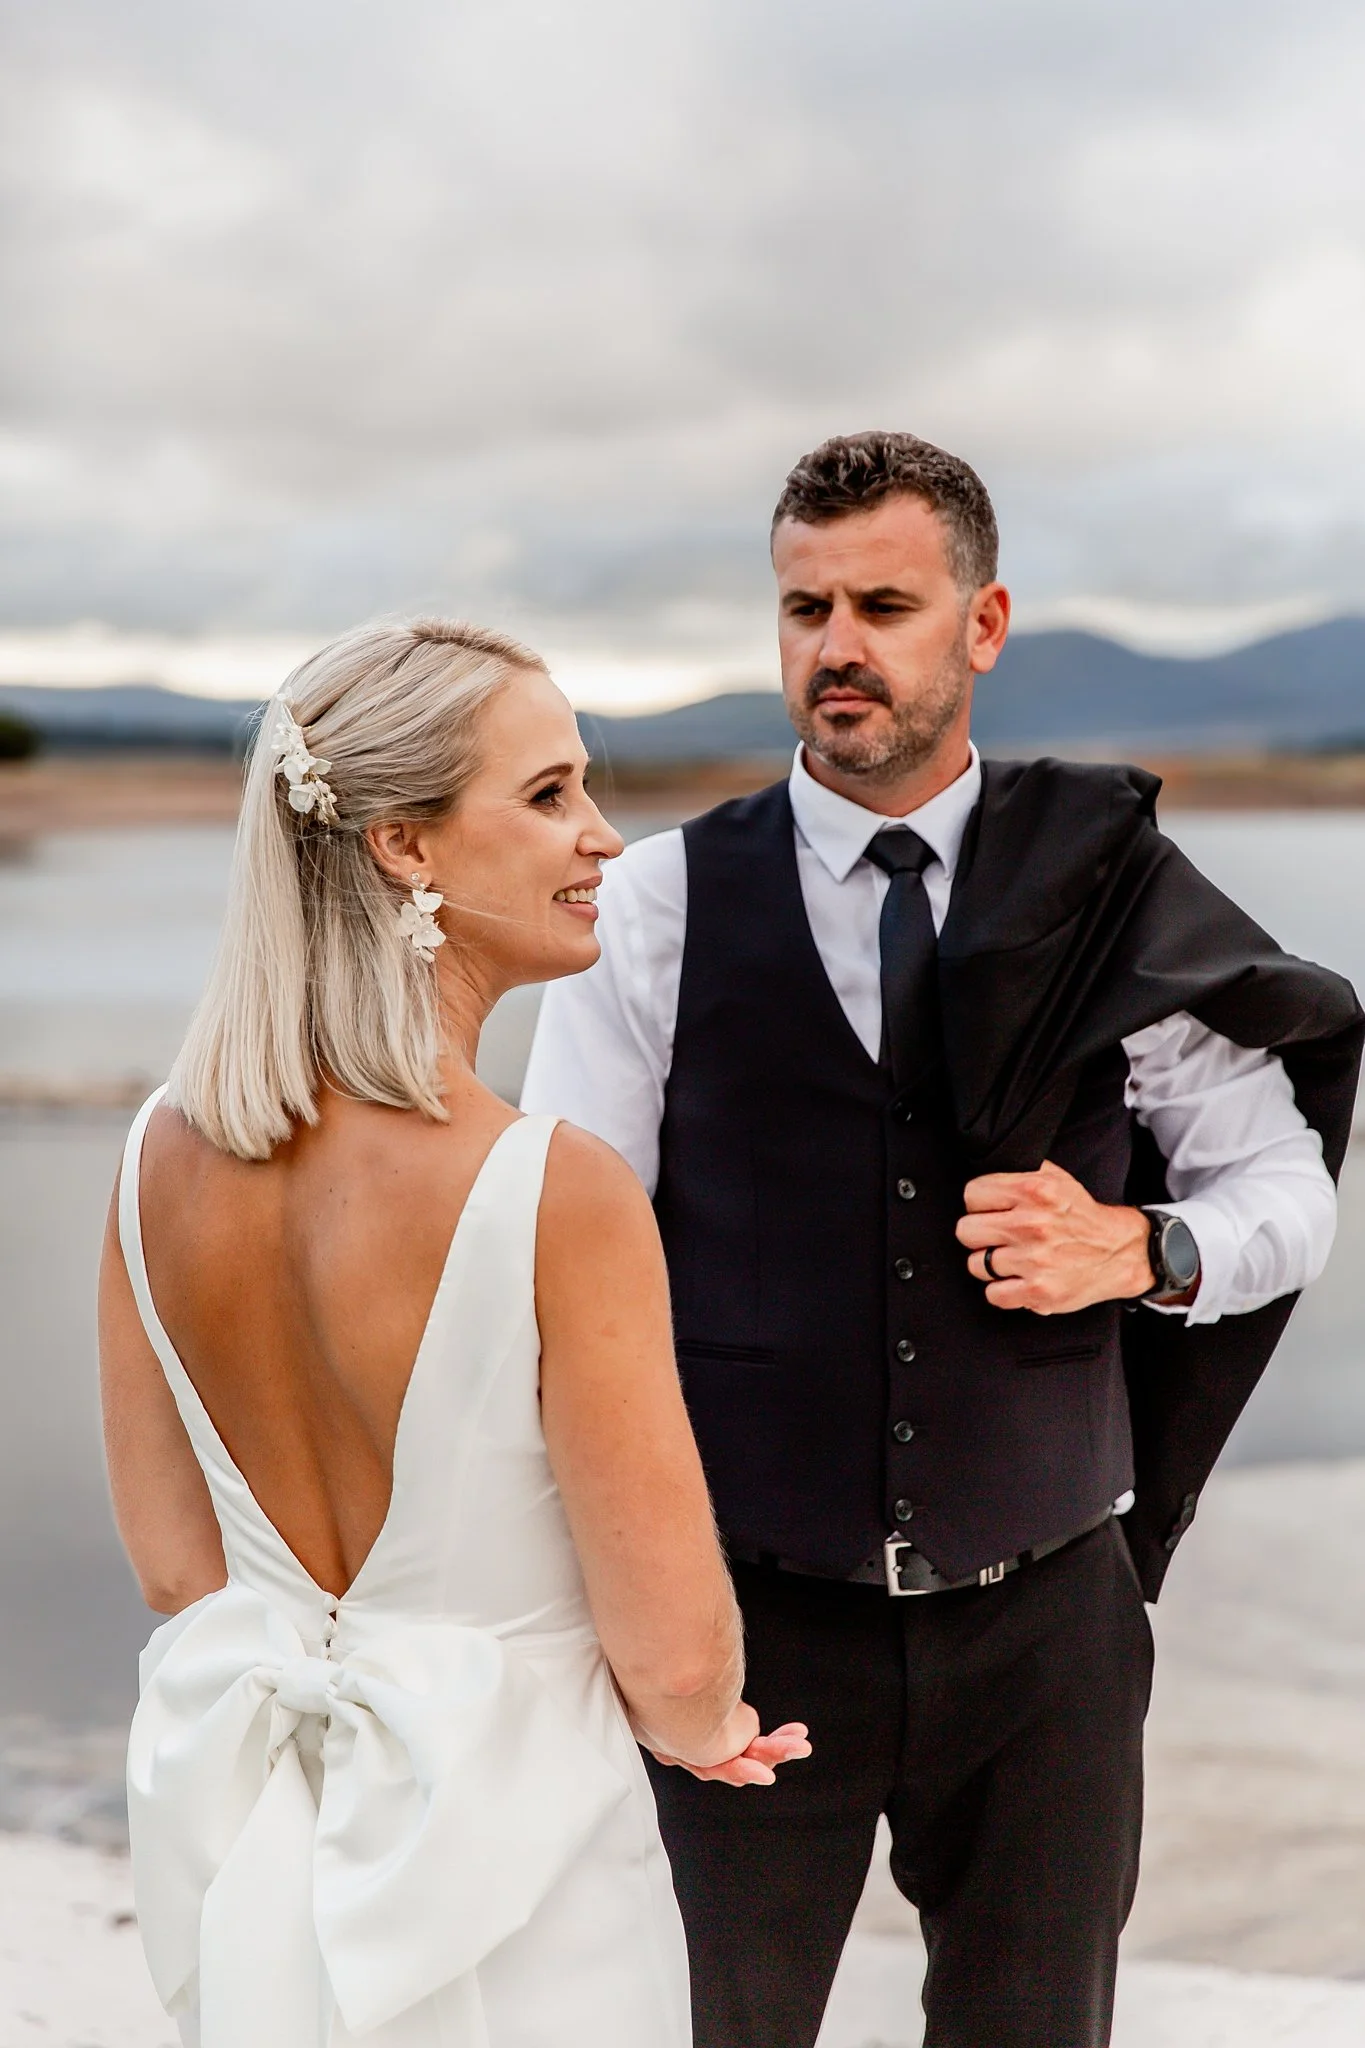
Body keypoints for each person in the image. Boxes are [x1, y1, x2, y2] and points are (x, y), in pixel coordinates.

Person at [522, 432, 1365, 2048]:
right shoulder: (657, 907)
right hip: (748, 1627)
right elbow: (576, 1261)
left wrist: (1144, 1249)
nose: (836, 647)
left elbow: (1287, 1192)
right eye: (804, 608)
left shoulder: (1110, 893)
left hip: (1046, 1625)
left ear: (981, 628)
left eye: (884, 605)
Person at [98, 617, 809, 2048]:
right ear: (405, 846)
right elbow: (673, 1655)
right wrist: (709, 1726)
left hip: (271, 1873)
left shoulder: (149, 1160)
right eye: (549, 795)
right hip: (523, 1886)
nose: (604, 839)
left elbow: (183, 1574)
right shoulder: (554, 1190)